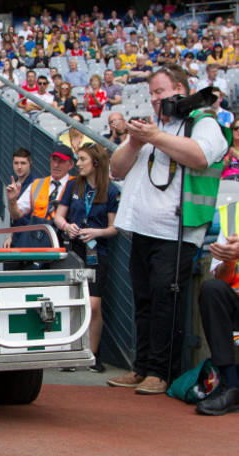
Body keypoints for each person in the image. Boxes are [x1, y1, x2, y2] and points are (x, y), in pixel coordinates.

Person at [107, 66, 228, 395]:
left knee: (165, 303)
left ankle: (161, 372)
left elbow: (200, 157)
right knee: (143, 301)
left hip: (177, 232)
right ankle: (142, 367)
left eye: (160, 92)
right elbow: (116, 168)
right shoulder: (152, 128)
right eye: (152, 95)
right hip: (141, 231)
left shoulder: (202, 123)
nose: (155, 99)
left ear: (180, 88)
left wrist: (155, 137)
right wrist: (135, 142)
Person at [54, 143, 120, 373]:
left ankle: (92, 354)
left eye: (82, 159)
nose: (78, 164)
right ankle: (70, 352)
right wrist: (67, 226)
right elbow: (58, 217)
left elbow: (115, 228)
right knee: (71, 301)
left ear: (96, 162)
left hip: (96, 251)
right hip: (73, 250)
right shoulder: (73, 185)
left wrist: (97, 232)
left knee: (93, 304)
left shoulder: (110, 190)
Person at [194, 201, 239, 415]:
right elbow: (222, 276)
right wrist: (231, 260)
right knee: (212, 288)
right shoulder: (233, 213)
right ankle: (231, 385)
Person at [5, 144, 75, 248]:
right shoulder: (37, 184)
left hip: (62, 243)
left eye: (61, 161)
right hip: (37, 243)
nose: (56, 165)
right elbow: (17, 214)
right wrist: (12, 200)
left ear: (71, 165)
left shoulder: (76, 185)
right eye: (54, 160)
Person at [3, 148, 38, 248]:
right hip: (16, 237)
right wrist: (10, 236)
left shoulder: (36, 184)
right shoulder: (13, 184)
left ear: (30, 164)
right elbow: (12, 217)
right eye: (16, 163)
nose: (19, 167)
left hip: (30, 238)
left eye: (23, 163)